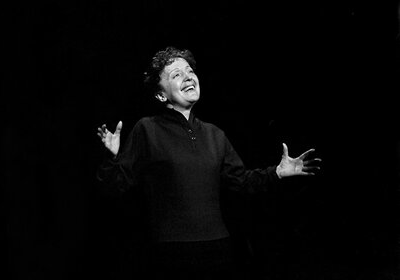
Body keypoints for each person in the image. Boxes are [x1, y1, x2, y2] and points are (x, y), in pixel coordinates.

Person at [96, 46, 321, 280]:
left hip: (218, 249)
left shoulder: (215, 135)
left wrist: (277, 172)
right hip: (170, 252)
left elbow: (241, 181)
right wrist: (111, 156)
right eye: (176, 75)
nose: (188, 76)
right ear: (160, 95)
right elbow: (114, 186)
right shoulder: (148, 129)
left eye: (189, 70)